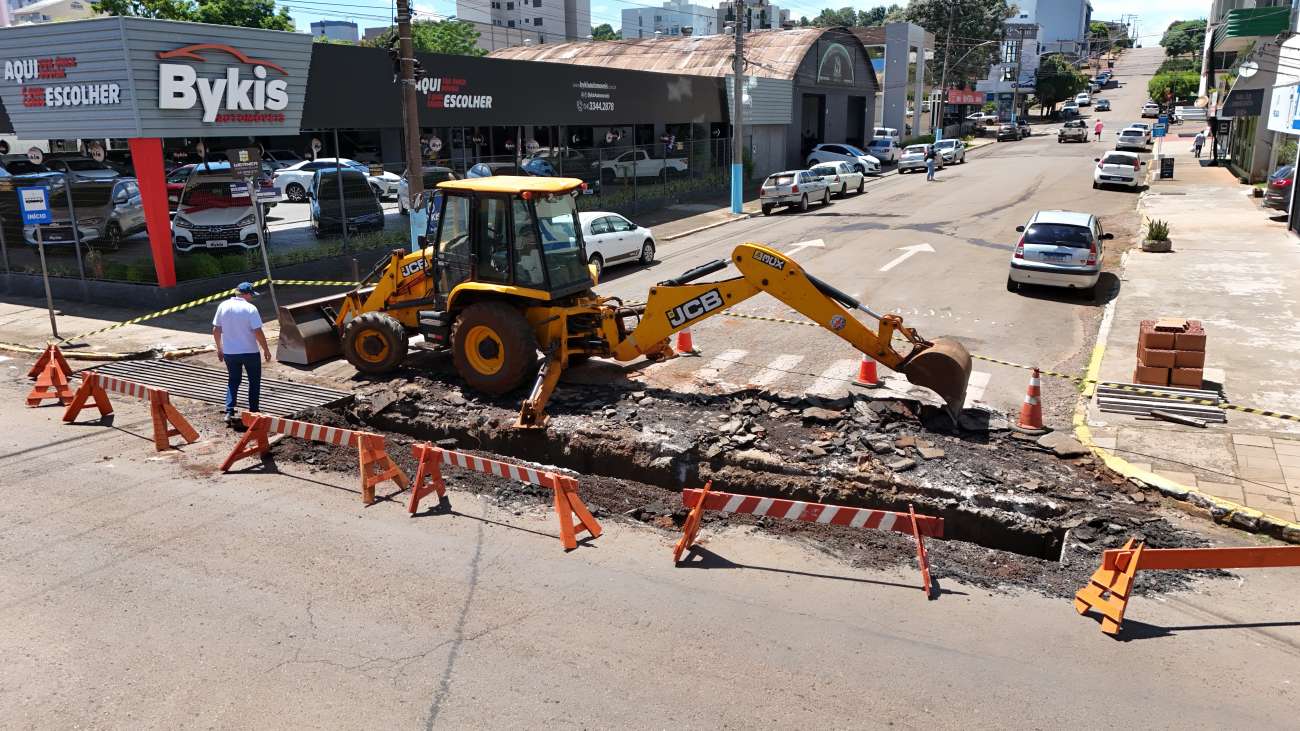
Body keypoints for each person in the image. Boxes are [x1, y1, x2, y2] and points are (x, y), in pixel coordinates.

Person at [213, 282, 271, 423]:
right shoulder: (250, 308)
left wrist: (219, 348)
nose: (251, 297)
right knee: (254, 381)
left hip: (230, 353)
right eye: (251, 295)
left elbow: (216, 329)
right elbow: (258, 331)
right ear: (247, 294)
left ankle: (229, 411)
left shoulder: (223, 306)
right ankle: (254, 411)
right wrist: (266, 349)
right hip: (250, 352)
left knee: (233, 380)